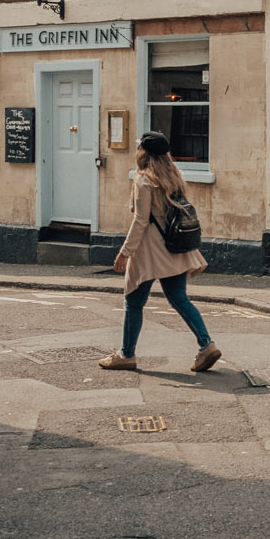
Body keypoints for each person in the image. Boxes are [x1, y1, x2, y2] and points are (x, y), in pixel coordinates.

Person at [99, 132, 220, 373]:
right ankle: (207, 344)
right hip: (175, 249)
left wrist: (125, 252)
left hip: (150, 253)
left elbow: (140, 221)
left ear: (143, 152)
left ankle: (126, 355)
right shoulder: (174, 176)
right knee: (180, 299)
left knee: (133, 302)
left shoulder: (144, 180)